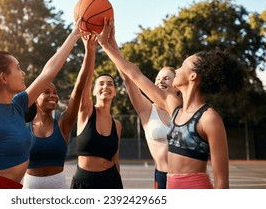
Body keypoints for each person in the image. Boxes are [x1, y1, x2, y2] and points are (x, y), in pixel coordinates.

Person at [97, 19, 244, 189]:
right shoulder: (173, 106)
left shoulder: (209, 118)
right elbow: (134, 75)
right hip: (169, 186)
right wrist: (107, 45)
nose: (178, 69)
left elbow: (221, 183)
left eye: (182, 66)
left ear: (193, 76)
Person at [0, 19, 87, 189]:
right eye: (18, 68)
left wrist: (74, 35)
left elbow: (48, 73)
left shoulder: (18, 105)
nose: (23, 73)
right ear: (4, 77)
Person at [105, 21, 177, 189]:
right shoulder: (147, 109)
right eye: (158, 78)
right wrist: (111, 43)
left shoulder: (183, 109)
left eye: (166, 78)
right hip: (162, 176)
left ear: (177, 84)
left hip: (186, 177)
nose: (160, 81)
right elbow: (128, 80)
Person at [22, 35, 97, 189]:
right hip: (30, 188)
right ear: (35, 97)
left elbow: (78, 89)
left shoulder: (63, 124)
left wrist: (89, 51)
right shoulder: (23, 127)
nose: (53, 96)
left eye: (55, 92)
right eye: (46, 92)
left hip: (59, 187)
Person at [70, 34, 123, 189]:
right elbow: (84, 82)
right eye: (100, 84)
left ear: (114, 92)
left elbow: (116, 159)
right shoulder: (86, 112)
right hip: (84, 183)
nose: (105, 87)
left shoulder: (117, 125)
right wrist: (90, 51)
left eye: (110, 84)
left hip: (111, 181)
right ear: (93, 91)